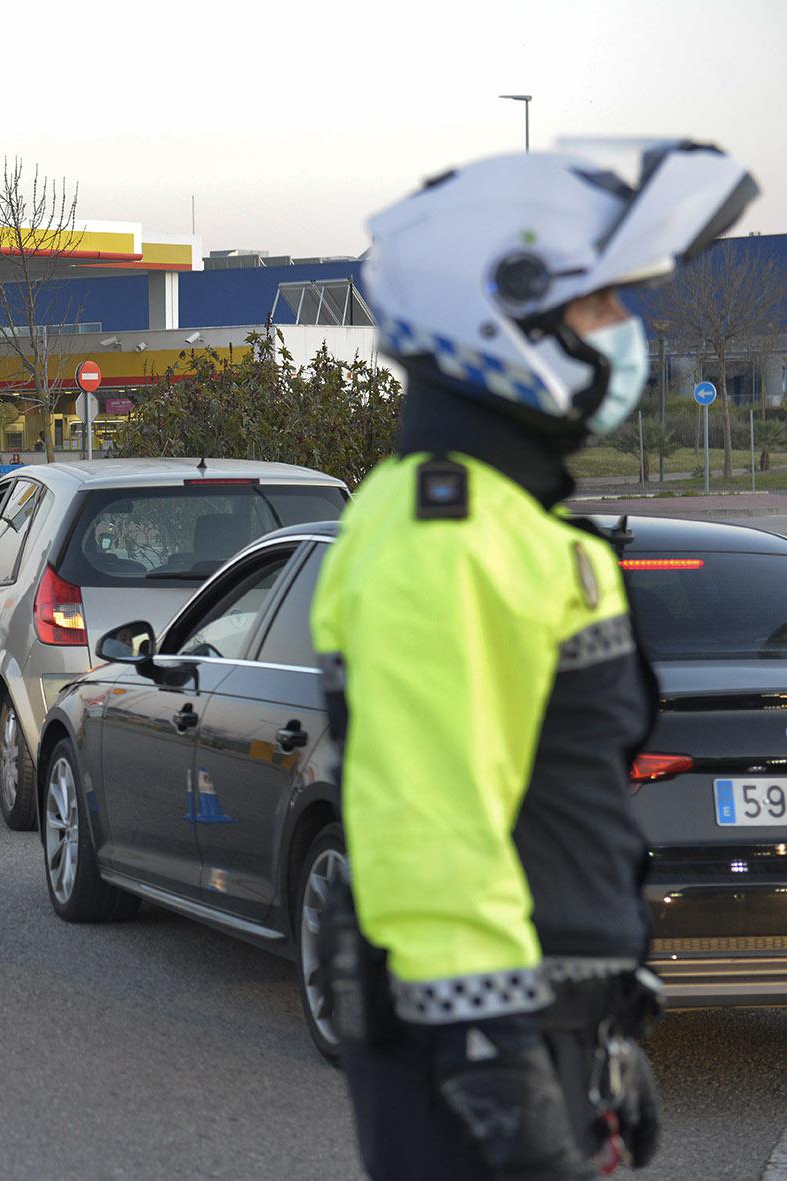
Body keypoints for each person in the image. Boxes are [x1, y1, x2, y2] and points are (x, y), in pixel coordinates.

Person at [310, 141, 757, 1179]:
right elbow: (429, 820)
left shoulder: (503, 521)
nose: (626, 336)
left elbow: (555, 805)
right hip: (481, 1042)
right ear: (504, 315)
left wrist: (600, 1026)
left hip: (541, 1018)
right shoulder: (446, 533)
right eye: (600, 308)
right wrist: (496, 1064)